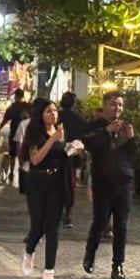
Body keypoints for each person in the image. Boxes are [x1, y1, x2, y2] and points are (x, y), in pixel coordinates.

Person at [79, 90, 137, 279]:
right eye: (113, 105)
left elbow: (136, 154)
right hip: (103, 181)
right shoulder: (95, 126)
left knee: (121, 225)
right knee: (100, 221)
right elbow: (88, 144)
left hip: (124, 181)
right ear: (104, 106)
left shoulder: (127, 126)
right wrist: (106, 131)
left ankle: (118, 265)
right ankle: (90, 254)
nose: (117, 108)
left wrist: (132, 139)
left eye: (120, 105)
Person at [19, 98, 74, 279]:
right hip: (38, 182)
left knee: (53, 228)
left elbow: (59, 156)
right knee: (38, 227)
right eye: (49, 111)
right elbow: (35, 159)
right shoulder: (35, 133)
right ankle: (29, 251)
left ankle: (49, 271)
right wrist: (53, 139)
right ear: (40, 114)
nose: (53, 114)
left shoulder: (59, 132)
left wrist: (71, 149)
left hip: (57, 183)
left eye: (55, 111)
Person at [58, 92, 88, 227]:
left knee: (56, 184)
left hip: (55, 154)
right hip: (72, 156)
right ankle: (67, 213)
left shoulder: (55, 116)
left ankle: (57, 212)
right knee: (70, 185)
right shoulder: (80, 119)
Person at [0, 89, 32, 161]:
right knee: (25, 152)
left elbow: (5, 120)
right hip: (26, 132)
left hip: (14, 132)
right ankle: (22, 167)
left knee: (13, 153)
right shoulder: (28, 106)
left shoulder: (12, 107)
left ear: (16, 96)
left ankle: (12, 171)